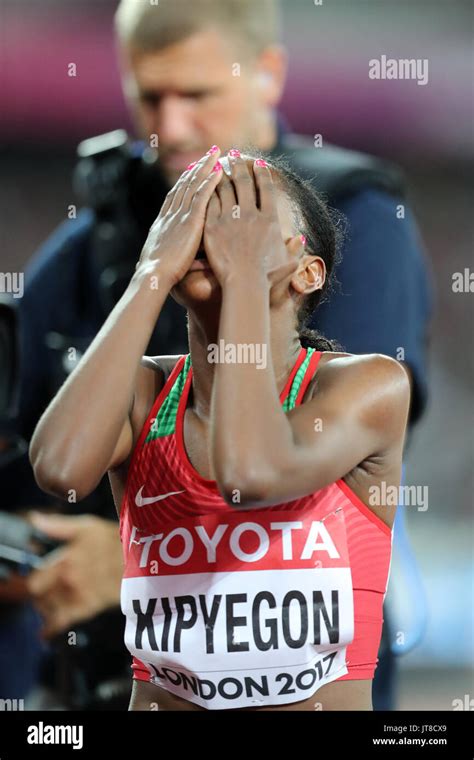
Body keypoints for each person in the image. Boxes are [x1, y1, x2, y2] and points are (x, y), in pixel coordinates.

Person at [1, 0, 431, 708]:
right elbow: (49, 463)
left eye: (196, 95)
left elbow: (259, 469)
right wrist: (150, 275)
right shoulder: (109, 238)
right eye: (148, 96)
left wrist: (126, 560)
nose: (169, 127)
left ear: (267, 74)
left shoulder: (355, 211)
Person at [30, 149, 411, 711]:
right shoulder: (146, 394)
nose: (221, 231)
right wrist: (151, 272)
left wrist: (247, 280)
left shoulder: (366, 387)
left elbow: (250, 473)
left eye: (251, 215)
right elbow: (59, 469)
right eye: (201, 214)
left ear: (308, 271)